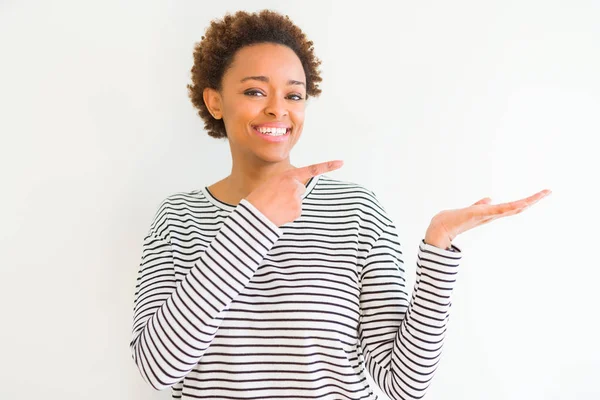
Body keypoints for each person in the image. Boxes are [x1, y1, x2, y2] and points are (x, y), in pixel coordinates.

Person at [129, 9, 551, 400]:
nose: (278, 108)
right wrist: (253, 223)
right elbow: (157, 368)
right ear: (215, 101)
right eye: (256, 91)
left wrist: (438, 248)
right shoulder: (178, 218)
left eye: (294, 96)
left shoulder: (356, 211)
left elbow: (403, 382)